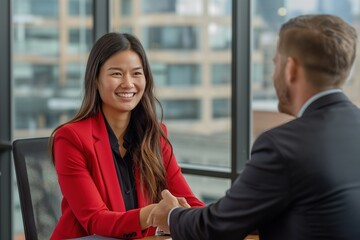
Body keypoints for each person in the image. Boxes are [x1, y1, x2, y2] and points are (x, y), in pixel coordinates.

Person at [147, 14, 360, 240]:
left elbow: (219, 226)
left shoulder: (283, 146)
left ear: (291, 69)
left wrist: (170, 216)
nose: (273, 72)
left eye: (275, 62)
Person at [49, 32, 204, 240]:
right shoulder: (70, 139)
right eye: (116, 74)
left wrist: (232, 220)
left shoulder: (154, 135)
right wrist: (151, 214)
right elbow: (95, 220)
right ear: (95, 80)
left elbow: (189, 202)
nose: (128, 83)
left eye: (136, 73)